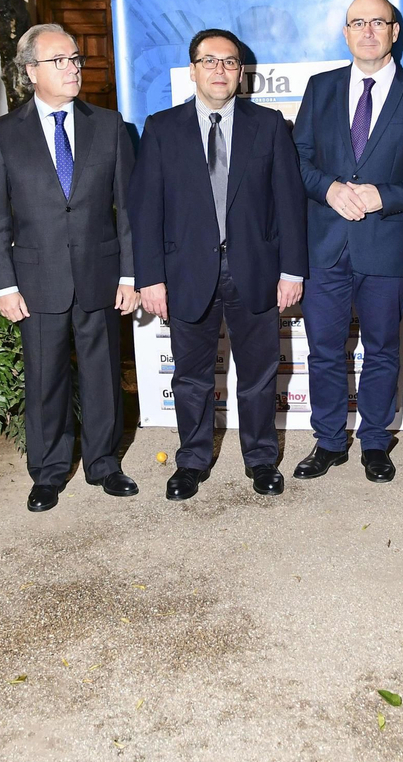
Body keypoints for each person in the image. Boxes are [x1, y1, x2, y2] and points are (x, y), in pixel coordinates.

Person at [129, 28, 307, 500]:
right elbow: (145, 211)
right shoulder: (161, 128)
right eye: (209, 61)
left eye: (229, 62)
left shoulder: (269, 125)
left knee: (259, 373)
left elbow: (289, 204)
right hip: (186, 273)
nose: (220, 70)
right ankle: (191, 461)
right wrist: (150, 278)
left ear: (241, 72)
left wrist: (292, 270)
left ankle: (261, 458)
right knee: (190, 377)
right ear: (192, 70)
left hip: (256, 272)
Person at [0, 23, 139, 512]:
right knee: (45, 379)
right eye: (60, 61)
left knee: (101, 375)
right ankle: (47, 472)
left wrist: (131, 275)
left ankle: (103, 464)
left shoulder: (110, 126)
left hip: (100, 275)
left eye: (76, 59)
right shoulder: (5, 134)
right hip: (36, 280)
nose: (73, 68)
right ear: (31, 71)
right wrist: (4, 285)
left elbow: (129, 208)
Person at [290, 0, 403, 483]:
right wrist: (329, 188)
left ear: (396, 32)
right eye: (358, 22)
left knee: (382, 349)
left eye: (379, 22)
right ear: (346, 32)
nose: (368, 31)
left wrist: (383, 196)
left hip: (386, 245)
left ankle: (375, 439)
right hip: (325, 245)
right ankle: (329, 440)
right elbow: (299, 160)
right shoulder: (321, 88)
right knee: (324, 349)